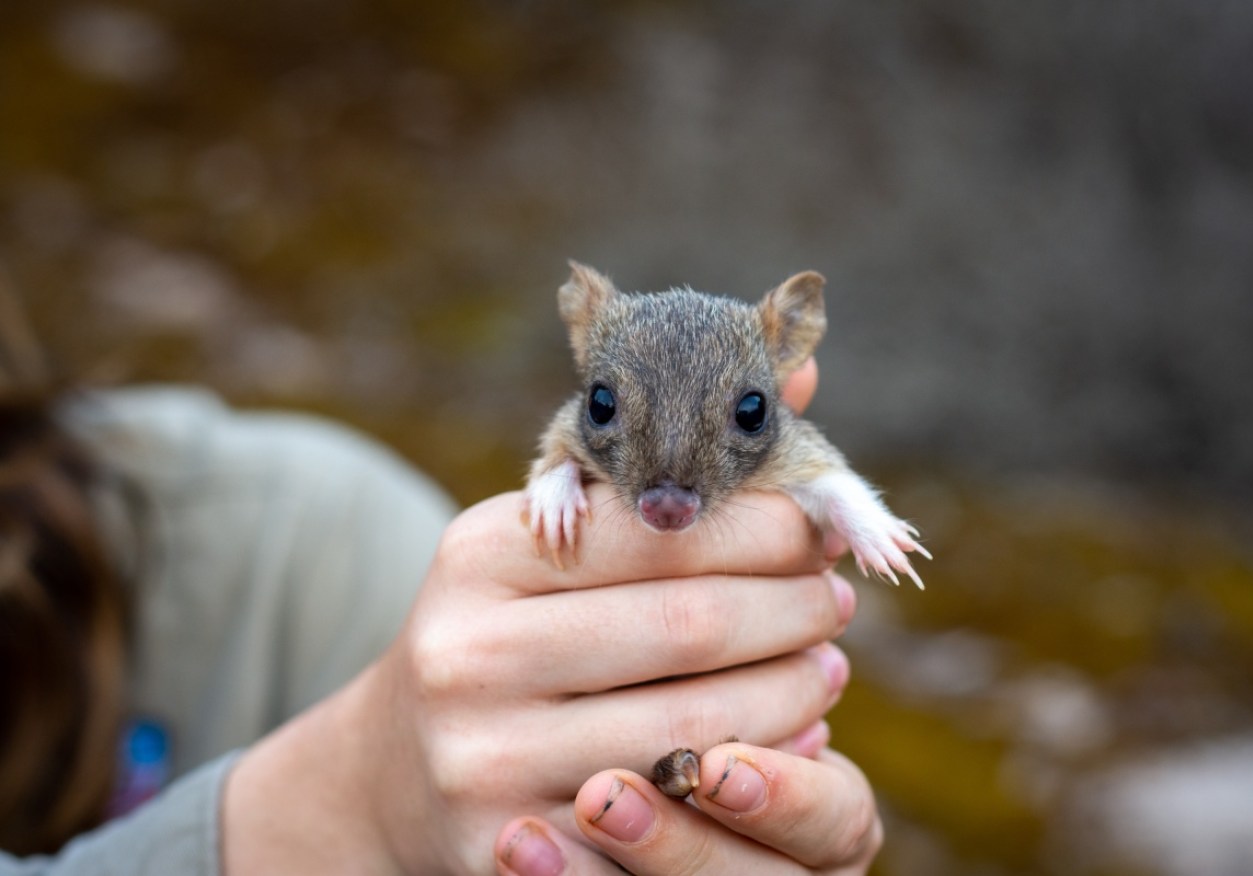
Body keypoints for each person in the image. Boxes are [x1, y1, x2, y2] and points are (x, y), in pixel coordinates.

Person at [0, 290, 881, 874]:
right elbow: (563, 450)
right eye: (609, 410)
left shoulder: (314, 535)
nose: (667, 492)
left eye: (746, 416)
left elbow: (821, 475)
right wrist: (354, 815)